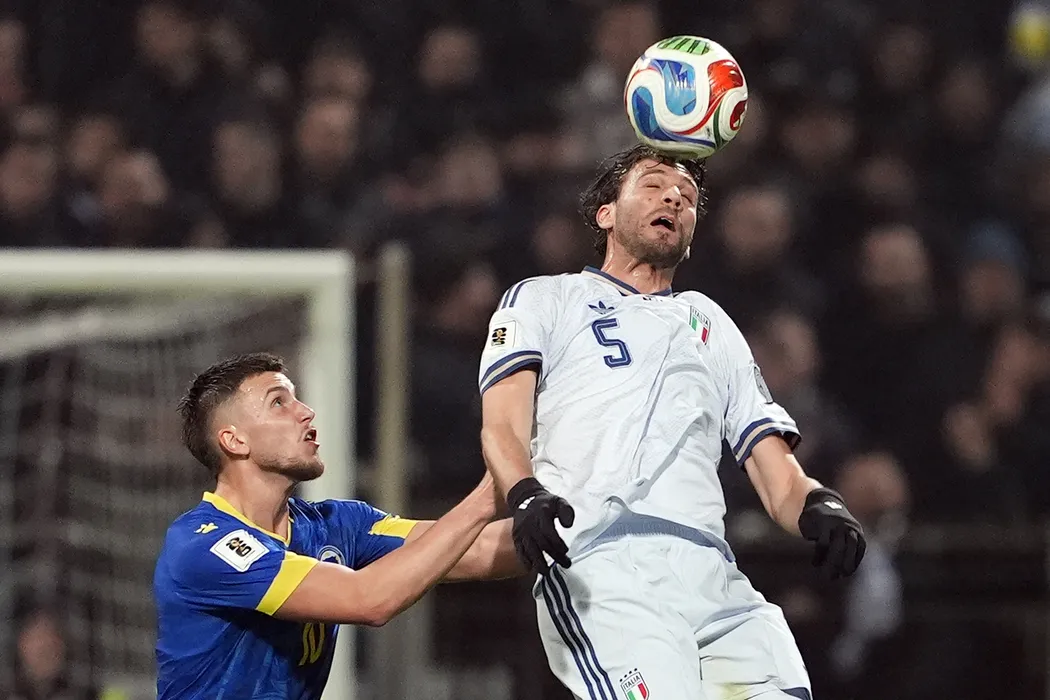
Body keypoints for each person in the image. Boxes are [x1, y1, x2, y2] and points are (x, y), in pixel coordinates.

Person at [479, 144, 866, 700]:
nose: (674, 200)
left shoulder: (711, 321)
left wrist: (819, 505)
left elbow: (775, 469)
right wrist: (525, 494)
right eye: (654, 186)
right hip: (602, 563)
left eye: (687, 197)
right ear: (605, 212)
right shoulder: (545, 298)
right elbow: (502, 425)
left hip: (714, 573)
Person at [154, 352, 520, 699]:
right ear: (234, 440)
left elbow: (476, 548)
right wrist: (490, 494)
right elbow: (368, 600)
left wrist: (547, 518)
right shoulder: (205, 545)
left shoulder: (338, 525)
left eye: (296, 399)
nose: (306, 412)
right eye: (278, 402)